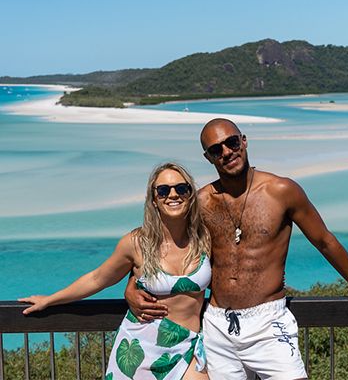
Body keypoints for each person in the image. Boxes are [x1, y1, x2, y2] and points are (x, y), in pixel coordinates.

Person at [125, 118, 348, 380]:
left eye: (231, 142)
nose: (227, 152)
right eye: (216, 149)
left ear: (244, 141)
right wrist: (133, 284)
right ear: (208, 157)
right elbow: (166, 244)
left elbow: (324, 240)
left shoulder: (281, 191)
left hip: (269, 323)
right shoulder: (202, 201)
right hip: (217, 325)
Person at [19, 162, 211, 380]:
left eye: (181, 188)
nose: (173, 195)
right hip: (140, 349)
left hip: (188, 347)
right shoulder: (136, 243)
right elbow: (98, 278)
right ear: (154, 200)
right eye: (163, 190)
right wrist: (51, 299)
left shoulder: (205, 239)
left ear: (191, 194)